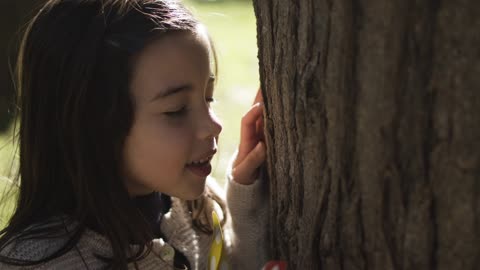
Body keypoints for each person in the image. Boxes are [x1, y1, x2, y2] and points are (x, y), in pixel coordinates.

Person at [0, 0, 269, 269]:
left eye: (208, 98)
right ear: (92, 125)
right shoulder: (36, 263)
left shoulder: (195, 207)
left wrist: (245, 200)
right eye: (176, 110)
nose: (213, 126)